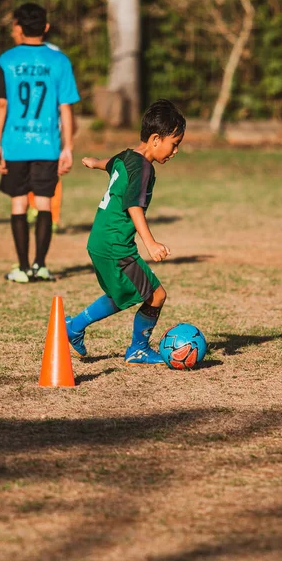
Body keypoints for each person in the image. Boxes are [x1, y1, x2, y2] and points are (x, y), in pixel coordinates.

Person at [65, 99, 186, 364]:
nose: (175, 151)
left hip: (100, 240)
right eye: (174, 144)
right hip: (116, 244)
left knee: (121, 294)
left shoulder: (129, 155)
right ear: (155, 139)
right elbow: (134, 206)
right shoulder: (144, 168)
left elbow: (112, 162)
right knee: (156, 295)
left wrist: (95, 162)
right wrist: (151, 243)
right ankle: (137, 348)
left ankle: (73, 327)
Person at [0, 2, 80, 283]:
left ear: (18, 27)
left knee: (18, 204)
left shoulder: (6, 60)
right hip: (47, 144)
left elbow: (2, 104)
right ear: (46, 27)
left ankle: (22, 268)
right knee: (43, 203)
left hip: (15, 143)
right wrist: (68, 146)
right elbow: (66, 108)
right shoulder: (60, 61)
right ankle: (41, 265)